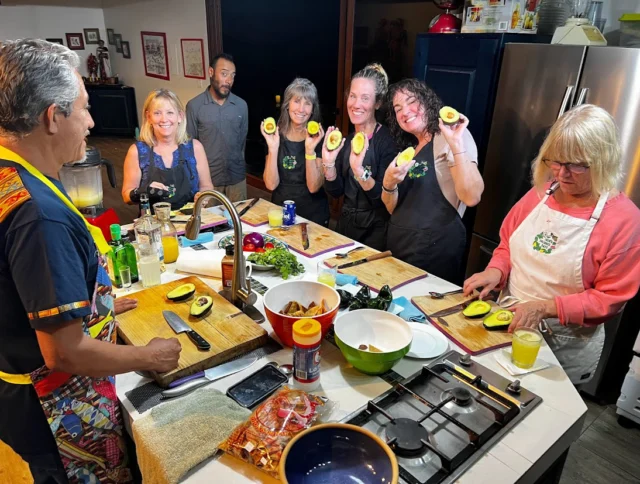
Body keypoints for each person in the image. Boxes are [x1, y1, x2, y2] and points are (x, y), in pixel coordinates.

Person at [0, 39, 181, 483]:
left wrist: (90, 306)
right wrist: (148, 356)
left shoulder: (9, 173)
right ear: (51, 116)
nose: (92, 121)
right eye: (83, 108)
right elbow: (63, 352)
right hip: (55, 405)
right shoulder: (39, 214)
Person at [464, 105, 640, 385]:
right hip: (505, 325)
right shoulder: (541, 194)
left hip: (563, 346)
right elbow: (508, 245)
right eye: (555, 161)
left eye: (575, 164)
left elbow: (609, 299)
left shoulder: (623, 219)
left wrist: (545, 307)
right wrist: (495, 271)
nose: (561, 173)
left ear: (603, 160)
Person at [382, 79, 483, 282]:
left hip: (434, 250)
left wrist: (456, 144)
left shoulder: (450, 137)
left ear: (428, 102)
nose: (405, 111)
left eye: (412, 102)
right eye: (398, 108)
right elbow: (394, 208)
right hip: (401, 245)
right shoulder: (410, 148)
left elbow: (472, 196)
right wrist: (388, 183)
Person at [322, 64, 397, 250]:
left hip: (376, 230)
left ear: (377, 103)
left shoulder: (386, 142)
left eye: (365, 98)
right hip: (345, 224)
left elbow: (383, 199)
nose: (356, 104)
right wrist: (329, 164)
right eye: (353, 96)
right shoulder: (346, 140)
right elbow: (336, 192)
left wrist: (359, 170)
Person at [121, 89, 213, 210]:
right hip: (153, 224)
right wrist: (143, 192)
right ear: (149, 117)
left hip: (192, 219)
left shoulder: (195, 148)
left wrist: (203, 196)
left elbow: (207, 186)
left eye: (170, 113)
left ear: (180, 116)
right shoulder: (137, 151)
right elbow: (126, 196)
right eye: (157, 113)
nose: (164, 119)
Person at [261, 78, 329, 225]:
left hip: (313, 215)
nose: (301, 109)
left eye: (307, 103)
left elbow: (313, 186)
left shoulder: (319, 138)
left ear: (312, 109)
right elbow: (271, 185)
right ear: (287, 104)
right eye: (297, 101)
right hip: (281, 212)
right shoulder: (275, 135)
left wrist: (310, 150)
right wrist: (273, 148)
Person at [186, 53, 248, 202]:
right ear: (211, 72)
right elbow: (190, 147)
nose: (229, 80)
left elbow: (242, 143)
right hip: (208, 182)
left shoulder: (241, 106)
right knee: (210, 224)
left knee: (239, 221)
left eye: (232, 76)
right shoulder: (195, 106)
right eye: (224, 74)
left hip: (237, 179)